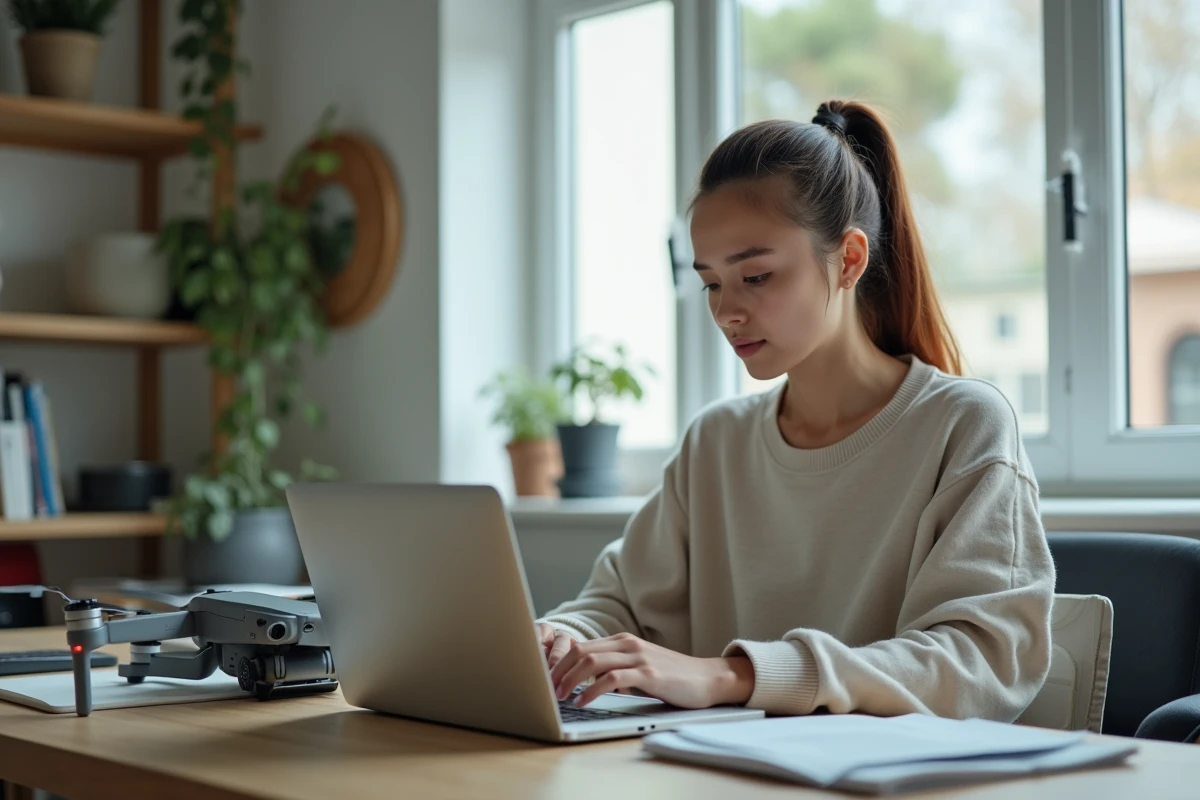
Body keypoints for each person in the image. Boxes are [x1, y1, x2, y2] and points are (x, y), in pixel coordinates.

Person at [537, 100, 1054, 720]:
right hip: (714, 776)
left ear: (849, 260)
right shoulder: (716, 442)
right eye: (711, 282)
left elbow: (980, 663)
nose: (726, 311)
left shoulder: (962, 426)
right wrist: (559, 637)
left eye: (755, 276)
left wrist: (735, 675)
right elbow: (617, 604)